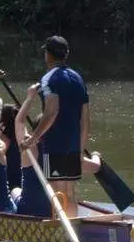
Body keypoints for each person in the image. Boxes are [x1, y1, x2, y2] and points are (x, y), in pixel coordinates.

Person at [19, 36, 90, 215]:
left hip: (55, 145)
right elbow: (85, 119)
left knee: (57, 192)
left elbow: (51, 111)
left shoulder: (48, 78)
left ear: (48, 55)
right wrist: (80, 150)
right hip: (73, 145)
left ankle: (60, 228)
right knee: (69, 192)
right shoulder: (78, 79)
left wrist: (32, 140)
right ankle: (73, 224)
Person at [12, 83, 101, 217]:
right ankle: (72, 218)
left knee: (15, 190)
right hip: (53, 212)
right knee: (68, 192)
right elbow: (95, 167)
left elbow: (19, 121)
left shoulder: (29, 149)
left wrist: (30, 97)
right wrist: (96, 155)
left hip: (28, 210)